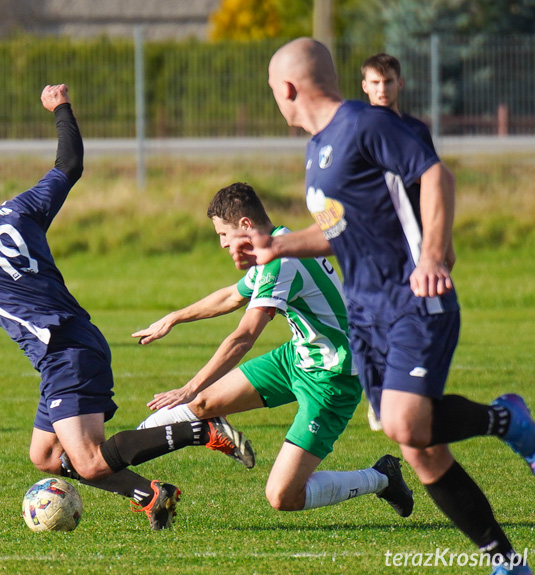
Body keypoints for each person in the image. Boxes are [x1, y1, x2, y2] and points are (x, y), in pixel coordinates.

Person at [0, 84, 254, 530]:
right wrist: (61, 108)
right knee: (45, 456)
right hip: (73, 345)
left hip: (62, 349)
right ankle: (151, 494)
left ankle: (202, 430)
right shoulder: (18, 209)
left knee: (91, 461)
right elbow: (70, 164)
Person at [230, 37, 534, 575]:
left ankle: (509, 421)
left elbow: (435, 174)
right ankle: (508, 562)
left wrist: (434, 254)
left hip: (412, 296)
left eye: (273, 93)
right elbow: (339, 227)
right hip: (365, 313)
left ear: (287, 88)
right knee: (417, 445)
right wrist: (280, 244)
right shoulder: (317, 149)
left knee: (405, 419)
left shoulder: (366, 125)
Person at [132, 182, 414, 517]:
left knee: (282, 496)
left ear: (246, 225)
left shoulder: (283, 262)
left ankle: (381, 477)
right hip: (296, 358)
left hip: (333, 379)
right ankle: (124, 461)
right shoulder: (277, 248)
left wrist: (191, 385)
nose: (222, 243)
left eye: (224, 234)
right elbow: (231, 296)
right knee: (201, 405)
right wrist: (173, 318)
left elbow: (244, 337)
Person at [360, 52, 440, 432]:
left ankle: (404, 393)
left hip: (412, 246)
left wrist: (438, 245)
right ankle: (381, 397)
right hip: (370, 246)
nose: (382, 89)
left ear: (400, 83)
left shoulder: (415, 131)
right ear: (364, 86)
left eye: (388, 81)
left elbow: (433, 185)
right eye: (374, 82)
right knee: (371, 319)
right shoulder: (357, 131)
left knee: (413, 317)